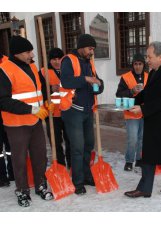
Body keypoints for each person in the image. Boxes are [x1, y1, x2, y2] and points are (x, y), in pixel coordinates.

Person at [124, 41, 161, 198]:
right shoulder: (153, 72)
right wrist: (132, 102)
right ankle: (144, 188)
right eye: (147, 56)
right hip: (153, 120)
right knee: (149, 156)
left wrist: (143, 109)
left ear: (160, 56)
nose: (147, 60)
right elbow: (148, 94)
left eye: (149, 56)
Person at [0, 36, 54, 207]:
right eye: (28, 51)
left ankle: (40, 185)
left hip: (36, 120)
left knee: (40, 156)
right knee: (20, 159)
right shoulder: (5, 70)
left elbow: (38, 89)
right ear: (17, 53)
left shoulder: (32, 66)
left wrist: (46, 102)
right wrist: (31, 109)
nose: (32, 54)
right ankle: (22, 190)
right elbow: (3, 100)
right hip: (16, 123)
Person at [60, 34, 104, 195]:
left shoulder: (89, 62)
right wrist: (86, 79)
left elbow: (97, 81)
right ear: (81, 46)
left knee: (88, 145)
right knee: (77, 148)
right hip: (73, 111)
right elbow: (66, 81)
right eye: (90, 48)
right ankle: (77, 182)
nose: (92, 52)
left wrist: (99, 85)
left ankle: (86, 176)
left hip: (87, 111)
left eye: (93, 49)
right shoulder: (68, 60)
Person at [39, 47, 71, 169]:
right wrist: (50, 90)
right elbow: (38, 91)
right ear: (49, 60)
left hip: (68, 112)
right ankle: (61, 167)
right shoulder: (43, 72)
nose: (57, 62)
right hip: (52, 114)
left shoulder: (68, 70)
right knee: (56, 143)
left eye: (59, 59)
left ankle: (71, 166)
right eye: (54, 59)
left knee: (70, 141)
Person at [116, 53, 148, 171]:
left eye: (140, 64)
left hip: (145, 112)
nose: (138, 66)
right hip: (131, 113)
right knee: (133, 138)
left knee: (142, 138)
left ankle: (139, 160)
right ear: (133, 65)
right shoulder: (125, 77)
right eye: (135, 64)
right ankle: (129, 161)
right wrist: (132, 90)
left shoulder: (148, 76)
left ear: (143, 65)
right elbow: (119, 95)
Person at [0, 53, 14, 188]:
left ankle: (13, 172)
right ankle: (2, 176)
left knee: (11, 146)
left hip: (8, 112)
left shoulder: (8, 63)